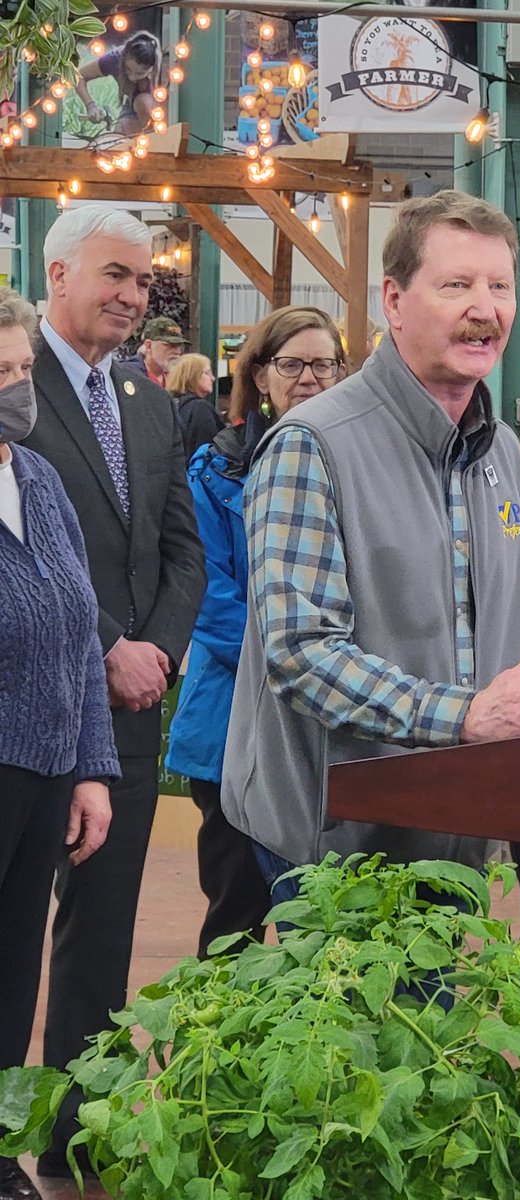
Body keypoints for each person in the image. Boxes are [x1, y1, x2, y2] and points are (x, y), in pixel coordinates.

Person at [220, 189, 520, 898]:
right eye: (457, 285)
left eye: (500, 287)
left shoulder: (502, 454)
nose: (485, 308)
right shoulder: (313, 444)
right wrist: (465, 715)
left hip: (461, 832)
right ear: (394, 301)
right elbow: (300, 652)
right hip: (336, 852)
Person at [21, 204, 205, 1180]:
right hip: (29, 710)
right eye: (116, 276)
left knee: (101, 936)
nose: (134, 296)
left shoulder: (146, 401)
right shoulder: (15, 387)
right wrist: (106, 648)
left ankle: (73, 1132)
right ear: (57, 275)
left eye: (143, 281)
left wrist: (156, 653)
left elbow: (185, 547)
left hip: (127, 721)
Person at [166, 308, 345, 956]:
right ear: (260, 375)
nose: (309, 377)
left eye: (323, 363)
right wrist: (305, 653)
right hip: (235, 720)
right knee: (236, 912)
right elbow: (208, 599)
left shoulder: (356, 464)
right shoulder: (213, 474)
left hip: (329, 730)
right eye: (291, 364)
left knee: (325, 925)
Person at [0, 288, 118, 1200]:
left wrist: (90, 769)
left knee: (13, 970)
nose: (17, 388)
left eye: (21, 369)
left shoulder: (36, 478)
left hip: (44, 770)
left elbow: (83, 634)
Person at [74, 30, 163, 137]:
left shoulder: (166, 70)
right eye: (128, 69)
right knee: (118, 141)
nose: (131, 77)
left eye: (139, 74)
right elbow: (79, 77)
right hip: (131, 104)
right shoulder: (114, 58)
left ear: (152, 69)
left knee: (144, 102)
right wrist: (90, 106)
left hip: (158, 111)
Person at [166, 352, 223, 460]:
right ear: (192, 376)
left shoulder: (172, 404)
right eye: (207, 373)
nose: (212, 378)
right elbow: (207, 451)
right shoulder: (200, 408)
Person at [121, 315, 188, 386]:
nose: (178, 352)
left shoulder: (179, 379)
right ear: (149, 346)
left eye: (179, 346)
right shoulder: (127, 375)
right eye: (170, 346)